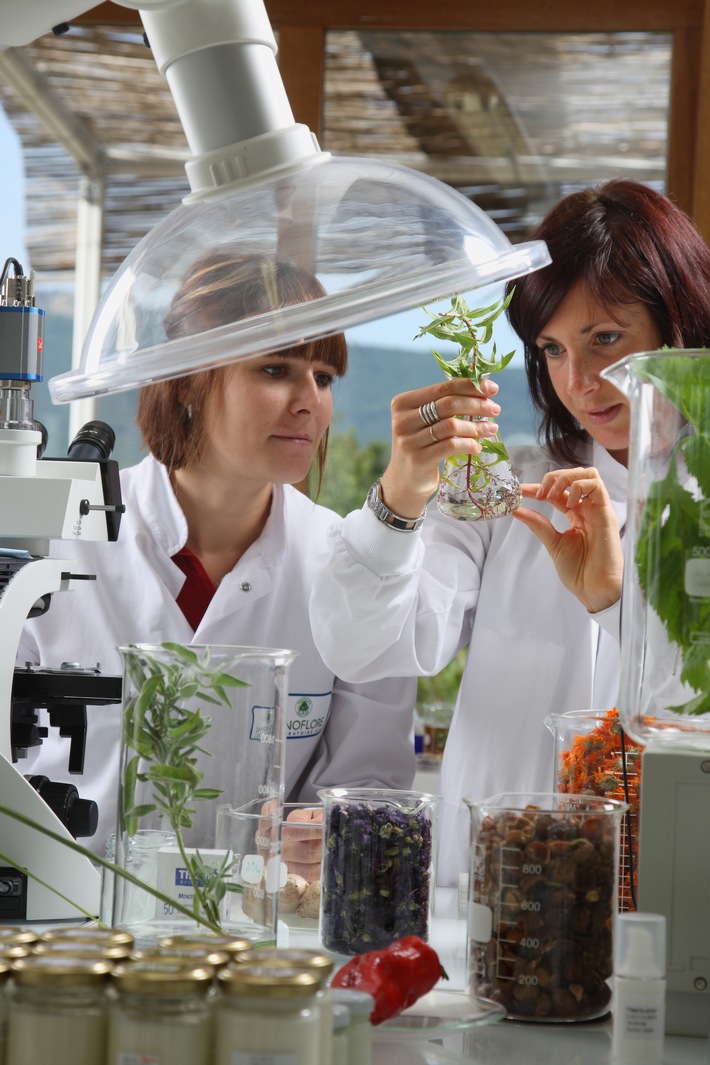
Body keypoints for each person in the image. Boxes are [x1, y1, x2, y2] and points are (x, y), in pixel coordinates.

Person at [309, 178, 710, 886]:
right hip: (497, 885)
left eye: (606, 339)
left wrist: (616, 604)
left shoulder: (699, 507)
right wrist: (400, 497)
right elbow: (364, 645)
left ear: (679, 323)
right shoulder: (508, 492)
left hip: (665, 888)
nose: (580, 380)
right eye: (553, 350)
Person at [17, 251, 417, 856]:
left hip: (260, 930)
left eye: (324, 377)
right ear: (187, 383)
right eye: (276, 369)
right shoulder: (60, 540)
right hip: (69, 922)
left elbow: (373, 786)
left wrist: (328, 829)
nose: (310, 402)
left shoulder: (355, 565)